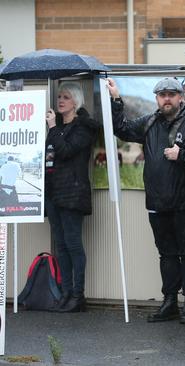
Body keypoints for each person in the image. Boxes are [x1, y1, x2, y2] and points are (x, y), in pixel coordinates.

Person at [106, 77, 185, 324]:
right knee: (167, 254)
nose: (167, 99)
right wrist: (117, 99)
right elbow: (122, 129)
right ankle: (170, 301)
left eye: (171, 94)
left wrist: (180, 155)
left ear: (180, 97)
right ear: (157, 99)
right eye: (162, 95)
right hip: (158, 202)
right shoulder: (150, 122)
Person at [44, 81, 100, 312]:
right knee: (61, 245)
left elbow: (66, 151)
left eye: (65, 97)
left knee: (73, 244)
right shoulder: (58, 127)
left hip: (73, 193)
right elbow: (50, 157)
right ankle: (66, 292)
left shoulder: (82, 127)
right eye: (59, 97)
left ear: (76, 102)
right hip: (54, 193)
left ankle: (78, 295)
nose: (60, 101)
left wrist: (52, 128)